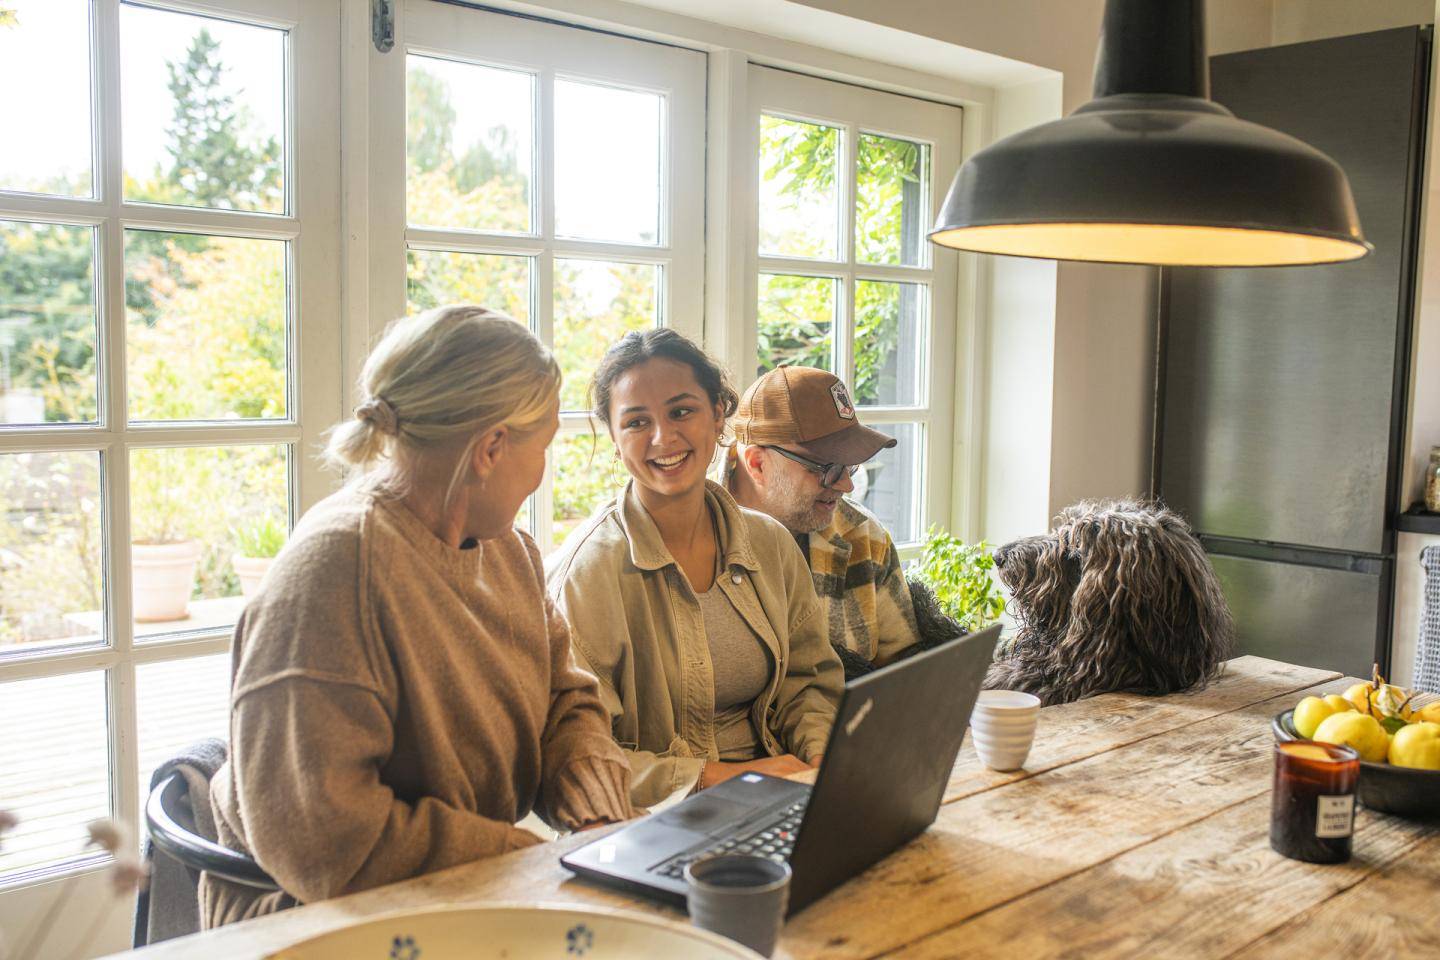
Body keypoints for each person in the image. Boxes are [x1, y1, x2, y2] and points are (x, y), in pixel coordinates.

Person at [203, 306, 635, 927]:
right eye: (542, 447)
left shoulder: (506, 550)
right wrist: (519, 858)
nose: (542, 473)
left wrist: (595, 814)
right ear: (490, 448)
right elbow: (324, 838)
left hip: (459, 888)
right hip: (312, 915)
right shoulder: (338, 570)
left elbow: (564, 701)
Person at [546, 330, 843, 809]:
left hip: (787, 796)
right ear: (614, 438)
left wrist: (820, 757)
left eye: (682, 411)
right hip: (654, 823)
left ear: (719, 415)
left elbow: (807, 685)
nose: (664, 437)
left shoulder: (771, 544)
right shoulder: (588, 575)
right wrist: (731, 779)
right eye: (637, 421)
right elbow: (581, 758)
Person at [724, 366, 923, 678]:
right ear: (757, 464)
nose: (846, 485)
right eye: (827, 467)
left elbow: (903, 670)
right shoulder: (693, 540)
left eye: (850, 466)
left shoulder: (863, 536)